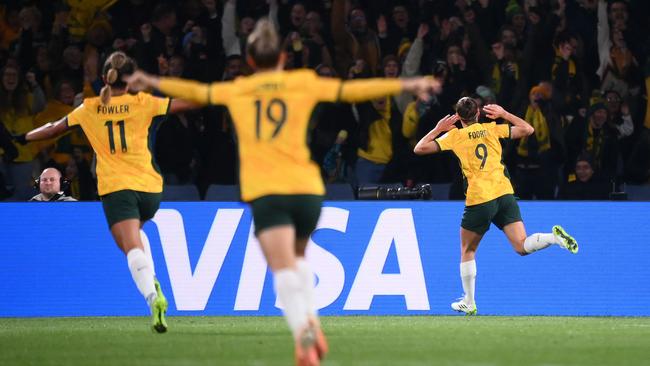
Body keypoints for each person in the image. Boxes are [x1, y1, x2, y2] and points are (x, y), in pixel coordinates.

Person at [126, 18, 440, 366]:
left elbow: (197, 93)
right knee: (300, 259)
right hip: (307, 190)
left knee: (284, 270)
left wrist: (151, 80)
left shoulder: (238, 89)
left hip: (267, 191)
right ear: (282, 59)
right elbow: (353, 90)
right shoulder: (301, 82)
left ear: (249, 62)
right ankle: (312, 326)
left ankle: (304, 335)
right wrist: (410, 81)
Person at [20, 51, 195, 333]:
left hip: (117, 188)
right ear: (131, 79)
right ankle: (151, 280)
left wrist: (22, 137)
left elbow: (53, 129)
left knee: (131, 249)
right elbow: (187, 102)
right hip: (150, 189)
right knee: (136, 234)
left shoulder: (89, 108)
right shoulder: (145, 103)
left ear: (103, 78)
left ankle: (153, 299)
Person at [413, 97, 579, 315]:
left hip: (480, 197)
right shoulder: (492, 129)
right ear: (479, 113)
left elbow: (419, 148)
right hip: (504, 193)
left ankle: (469, 302)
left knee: (467, 250)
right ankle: (553, 238)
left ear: (459, 117)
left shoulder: (455, 136)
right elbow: (527, 129)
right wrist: (504, 113)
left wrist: (437, 129)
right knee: (521, 245)